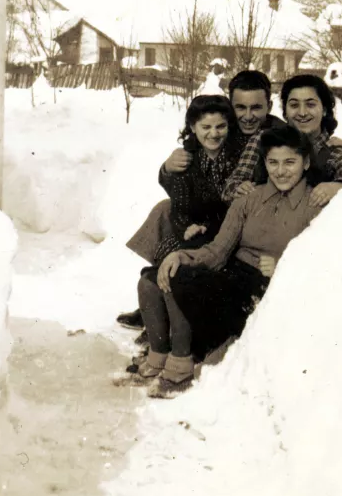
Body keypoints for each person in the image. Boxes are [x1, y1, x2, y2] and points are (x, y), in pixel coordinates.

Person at [126, 125, 338, 399]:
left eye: (290, 162)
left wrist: (286, 268)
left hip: (262, 288)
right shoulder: (249, 199)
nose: (281, 171)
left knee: (180, 282)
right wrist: (181, 255)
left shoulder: (316, 203)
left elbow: (325, 259)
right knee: (154, 278)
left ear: (306, 162)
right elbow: (217, 251)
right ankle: (160, 355)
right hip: (232, 275)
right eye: (273, 162)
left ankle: (182, 364)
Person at [117, 70, 283, 328]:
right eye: (240, 107)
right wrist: (168, 168)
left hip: (241, 219)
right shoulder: (226, 127)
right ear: (230, 107)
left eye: (256, 108)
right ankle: (159, 294)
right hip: (215, 209)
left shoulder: (271, 135)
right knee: (166, 209)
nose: (248, 116)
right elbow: (191, 167)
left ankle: (170, 295)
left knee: (185, 226)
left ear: (269, 106)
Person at [151, 94, 244, 263]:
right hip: (196, 230)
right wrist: (187, 228)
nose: (214, 133)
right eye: (206, 127)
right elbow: (179, 206)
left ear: (229, 126)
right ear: (193, 127)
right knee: (168, 254)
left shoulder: (239, 158)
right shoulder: (187, 160)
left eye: (221, 126)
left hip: (230, 232)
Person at [279, 73, 342, 209]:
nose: (302, 112)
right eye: (294, 105)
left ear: (324, 110)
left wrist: (339, 186)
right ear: (285, 111)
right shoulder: (270, 143)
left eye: (310, 105)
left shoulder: (334, 151)